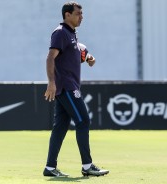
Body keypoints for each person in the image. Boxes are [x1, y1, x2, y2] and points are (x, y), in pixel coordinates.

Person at [43, 1, 109, 177]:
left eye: (82, 13)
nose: (82, 16)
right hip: (67, 87)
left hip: (67, 86)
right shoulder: (60, 33)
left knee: (60, 128)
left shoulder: (71, 35)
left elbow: (72, 55)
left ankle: (50, 168)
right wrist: (51, 82)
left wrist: (87, 57)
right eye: (78, 13)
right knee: (83, 121)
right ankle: (87, 166)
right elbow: (51, 58)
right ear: (67, 15)